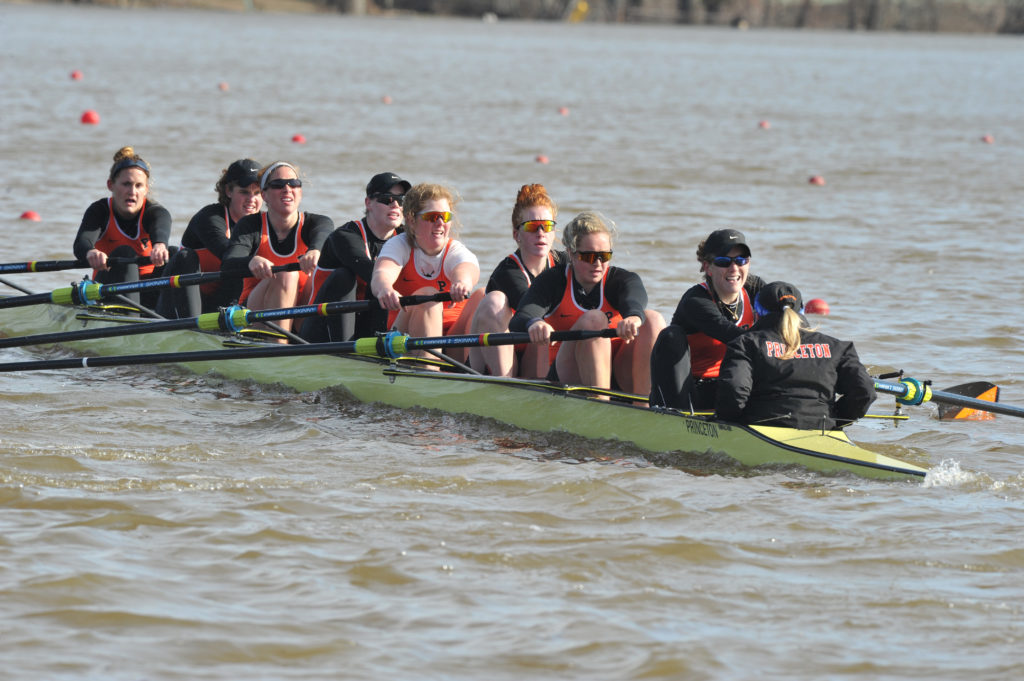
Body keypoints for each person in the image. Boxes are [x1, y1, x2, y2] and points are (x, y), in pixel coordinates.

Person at [509, 211, 665, 397]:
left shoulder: (621, 280)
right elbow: (521, 317)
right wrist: (534, 323)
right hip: (569, 377)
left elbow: (634, 297)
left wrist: (633, 317)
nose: (598, 263)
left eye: (604, 256)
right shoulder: (553, 281)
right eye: (589, 257)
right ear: (571, 254)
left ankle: (643, 404)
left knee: (652, 319)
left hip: (618, 371)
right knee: (594, 320)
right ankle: (601, 405)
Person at [715, 282, 875, 429]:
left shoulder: (745, 343)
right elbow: (865, 391)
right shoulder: (838, 347)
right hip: (822, 425)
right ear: (802, 311)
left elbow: (734, 389)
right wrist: (836, 419)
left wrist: (729, 422)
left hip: (762, 425)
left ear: (758, 312)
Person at [650, 228, 766, 411]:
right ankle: (675, 416)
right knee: (671, 336)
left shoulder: (755, 288)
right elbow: (729, 334)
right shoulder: (695, 301)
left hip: (728, 385)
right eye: (723, 261)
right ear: (707, 267)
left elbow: (785, 314)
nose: (734, 268)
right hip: (688, 390)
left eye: (741, 260)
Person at [219, 161, 334, 339]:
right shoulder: (251, 225)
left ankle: (315, 344)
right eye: (278, 185)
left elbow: (323, 235)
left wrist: (315, 251)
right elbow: (229, 264)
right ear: (264, 195)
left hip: (302, 309)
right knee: (286, 275)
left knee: (326, 278)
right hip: (256, 311)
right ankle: (278, 345)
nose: (287, 189)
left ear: (300, 192)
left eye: (293, 184)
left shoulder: (318, 223)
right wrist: (251, 260)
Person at [370, 182, 483, 363]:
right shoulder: (399, 245)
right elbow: (382, 273)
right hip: (405, 335)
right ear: (412, 220)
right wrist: (384, 289)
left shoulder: (455, 250)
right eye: (432, 217)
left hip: (454, 338)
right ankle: (427, 371)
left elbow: (467, 269)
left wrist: (462, 283)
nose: (440, 223)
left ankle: (481, 375)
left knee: (484, 295)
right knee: (429, 295)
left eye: (445, 217)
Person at [468, 183, 569, 378]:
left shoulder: (565, 264)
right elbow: (529, 304)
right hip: (497, 361)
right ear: (517, 235)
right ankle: (504, 386)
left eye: (547, 226)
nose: (540, 232)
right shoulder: (508, 272)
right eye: (532, 226)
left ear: (554, 231)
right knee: (495, 301)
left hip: (535, 356)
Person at [299, 172, 411, 343]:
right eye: (387, 199)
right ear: (368, 203)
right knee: (348, 276)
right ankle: (346, 351)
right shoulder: (345, 236)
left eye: (401, 200)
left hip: (368, 327)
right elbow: (369, 271)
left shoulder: (406, 237)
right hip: (321, 330)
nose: (395, 205)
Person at [156, 159, 262, 318]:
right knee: (188, 258)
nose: (252, 199)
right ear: (228, 191)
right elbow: (228, 255)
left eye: (258, 193)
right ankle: (191, 326)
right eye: (244, 192)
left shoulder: (262, 226)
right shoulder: (209, 218)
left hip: (219, 302)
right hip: (179, 302)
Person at [72, 146, 173, 310]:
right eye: (126, 184)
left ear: (146, 189)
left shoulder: (155, 212)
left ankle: (176, 320)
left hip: (147, 292)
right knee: (125, 253)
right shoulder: (100, 211)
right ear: (111, 185)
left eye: (139, 185)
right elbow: (82, 243)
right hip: (109, 290)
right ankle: (129, 320)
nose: (132, 192)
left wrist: (160, 244)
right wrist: (90, 252)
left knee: (176, 254)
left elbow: (161, 226)